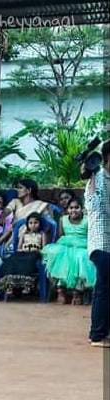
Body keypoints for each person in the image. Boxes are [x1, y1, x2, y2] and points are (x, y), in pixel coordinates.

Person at [41, 197, 96, 305]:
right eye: (71, 208)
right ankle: (60, 291)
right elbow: (61, 236)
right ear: (67, 210)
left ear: (82, 209)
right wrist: (66, 246)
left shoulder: (88, 220)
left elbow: (91, 236)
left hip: (83, 246)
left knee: (81, 257)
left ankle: (77, 292)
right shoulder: (63, 219)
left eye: (76, 207)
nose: (74, 210)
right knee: (60, 256)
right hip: (65, 245)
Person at [83, 140, 110, 346]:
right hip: (101, 243)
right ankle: (97, 334)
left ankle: (101, 331)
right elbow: (101, 208)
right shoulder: (99, 178)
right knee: (103, 288)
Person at [0, 212, 46, 298]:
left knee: (29, 261)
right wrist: (23, 250)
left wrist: (38, 250)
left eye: (36, 223)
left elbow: (44, 249)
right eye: (30, 223)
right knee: (11, 260)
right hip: (23, 252)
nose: (33, 225)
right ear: (27, 224)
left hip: (35, 253)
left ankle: (26, 285)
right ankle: (9, 285)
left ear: (40, 224)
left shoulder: (41, 234)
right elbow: (18, 248)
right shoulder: (24, 234)